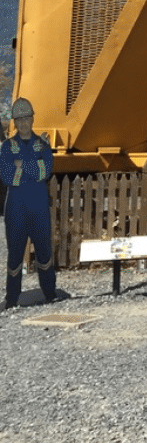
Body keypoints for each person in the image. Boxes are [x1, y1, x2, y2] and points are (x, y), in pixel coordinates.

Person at [2, 98, 56, 309]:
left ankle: (50, 294)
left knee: (44, 251)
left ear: (33, 119)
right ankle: (12, 299)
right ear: (14, 122)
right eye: (19, 119)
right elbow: (7, 178)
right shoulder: (7, 147)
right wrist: (32, 169)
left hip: (39, 206)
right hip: (15, 208)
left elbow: (45, 173)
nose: (24, 123)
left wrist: (22, 165)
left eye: (27, 118)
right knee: (15, 254)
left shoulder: (42, 145)